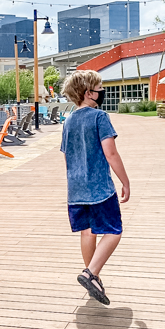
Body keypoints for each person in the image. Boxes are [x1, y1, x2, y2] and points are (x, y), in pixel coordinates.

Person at [60, 70, 130, 305]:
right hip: (99, 187)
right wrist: (125, 181)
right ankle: (90, 273)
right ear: (88, 93)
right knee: (114, 230)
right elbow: (110, 153)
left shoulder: (68, 120)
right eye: (99, 88)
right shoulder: (100, 117)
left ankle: (94, 278)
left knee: (88, 231)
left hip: (76, 187)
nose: (102, 92)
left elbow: (67, 155)